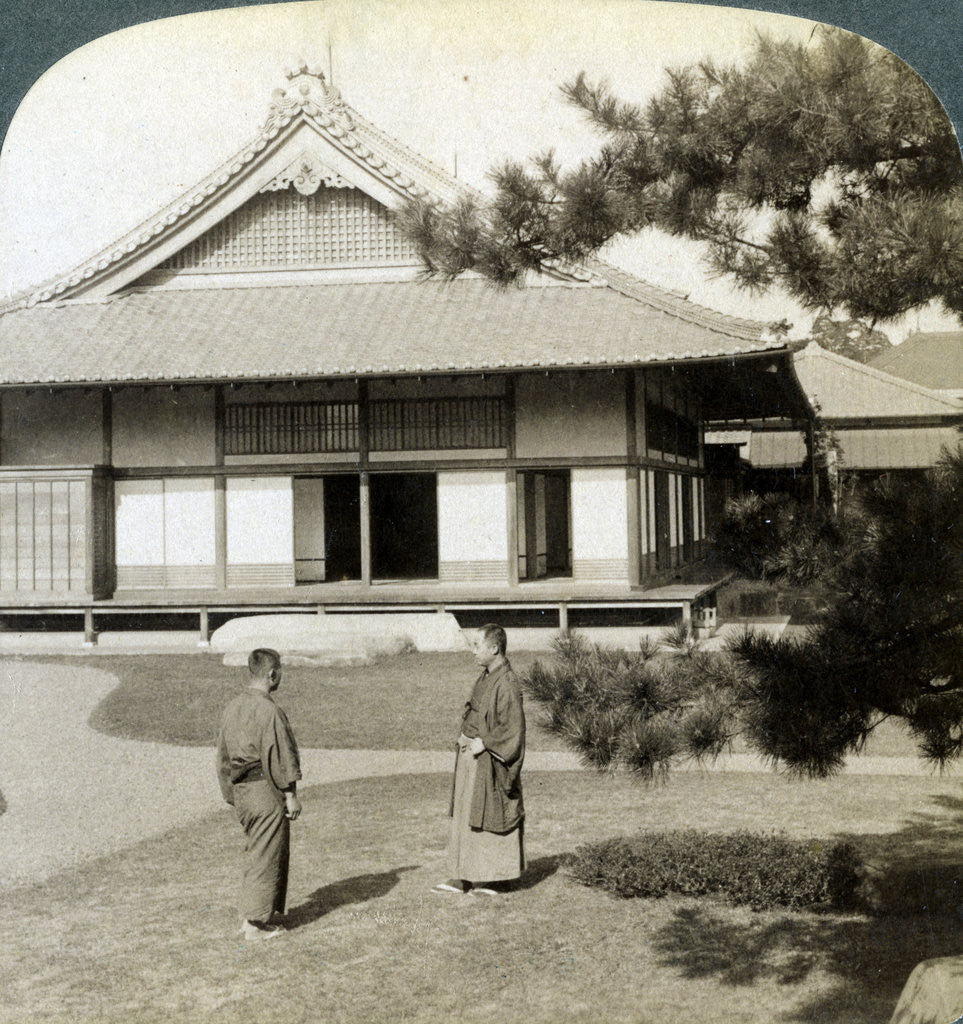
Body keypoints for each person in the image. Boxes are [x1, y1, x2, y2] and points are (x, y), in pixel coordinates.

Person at [216, 648, 302, 941]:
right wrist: (290, 793)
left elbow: (223, 758)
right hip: (265, 792)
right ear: (272, 674)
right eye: (280, 672)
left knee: (256, 852)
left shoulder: (232, 707)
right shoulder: (270, 711)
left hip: (242, 792)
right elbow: (282, 756)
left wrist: (232, 794)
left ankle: (251, 916)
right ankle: (254, 924)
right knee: (266, 855)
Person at [434, 623, 525, 896]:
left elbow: (513, 729)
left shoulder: (507, 682)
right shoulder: (487, 676)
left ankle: (495, 878)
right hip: (469, 755)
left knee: (489, 815)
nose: (473, 651)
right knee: (465, 814)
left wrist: (485, 743)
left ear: (494, 648)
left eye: (477, 645)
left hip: (487, 759)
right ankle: (463, 876)